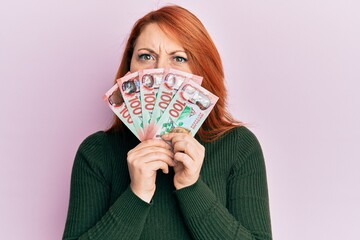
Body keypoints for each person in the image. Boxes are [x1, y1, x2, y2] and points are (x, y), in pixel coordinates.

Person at [63, 5, 272, 240]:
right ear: (129, 69)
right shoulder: (97, 152)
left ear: (201, 69)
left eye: (179, 58)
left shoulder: (239, 146)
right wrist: (137, 194)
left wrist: (191, 187)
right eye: (146, 56)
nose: (161, 70)